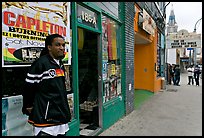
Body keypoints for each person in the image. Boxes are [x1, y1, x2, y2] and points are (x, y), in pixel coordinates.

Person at [22, 34, 71, 136]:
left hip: (60, 114)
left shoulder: (60, 64)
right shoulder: (40, 64)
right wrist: (29, 105)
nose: (62, 48)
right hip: (46, 116)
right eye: (58, 45)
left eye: (63, 45)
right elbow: (28, 88)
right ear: (49, 47)